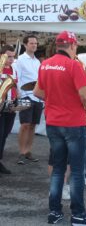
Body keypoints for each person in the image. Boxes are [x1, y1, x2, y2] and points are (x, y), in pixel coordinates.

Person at [33, 31, 86, 226]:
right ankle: (78, 215)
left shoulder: (45, 64)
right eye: (76, 46)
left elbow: (37, 91)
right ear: (72, 46)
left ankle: (54, 213)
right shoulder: (74, 65)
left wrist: (56, 99)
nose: (76, 49)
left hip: (53, 124)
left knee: (57, 169)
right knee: (78, 172)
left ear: (57, 45)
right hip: (74, 124)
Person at [15, 35, 43, 164]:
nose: (34, 45)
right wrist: (19, 94)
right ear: (25, 45)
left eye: (36, 43)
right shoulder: (19, 60)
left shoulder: (37, 61)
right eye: (31, 43)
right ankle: (21, 152)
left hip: (37, 97)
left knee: (32, 126)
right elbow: (17, 78)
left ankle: (28, 151)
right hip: (25, 95)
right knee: (24, 124)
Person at [0, 45, 18, 175]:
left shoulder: (14, 68)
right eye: (9, 56)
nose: (11, 59)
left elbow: (16, 85)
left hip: (10, 105)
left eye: (13, 56)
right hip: (1, 105)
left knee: (5, 135)